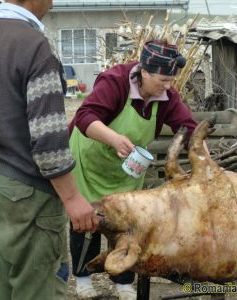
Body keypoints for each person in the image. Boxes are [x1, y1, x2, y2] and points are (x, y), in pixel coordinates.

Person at [0, 0, 99, 299]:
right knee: (40, 287)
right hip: (29, 190)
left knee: (8, 284)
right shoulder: (35, 45)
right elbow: (48, 139)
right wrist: (73, 198)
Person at [68, 40, 198, 300]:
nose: (168, 86)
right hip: (91, 158)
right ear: (145, 71)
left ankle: (123, 280)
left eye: (172, 80)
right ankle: (83, 278)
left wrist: (200, 154)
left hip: (126, 167)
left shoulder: (167, 97)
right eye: (163, 79)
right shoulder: (115, 80)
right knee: (88, 221)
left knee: (127, 222)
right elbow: (85, 116)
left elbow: (188, 127)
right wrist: (114, 139)